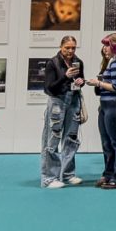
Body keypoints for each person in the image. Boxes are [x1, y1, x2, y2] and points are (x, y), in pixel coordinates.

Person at [86, 33, 116, 189]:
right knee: (108, 143)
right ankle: (109, 174)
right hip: (108, 106)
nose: (104, 49)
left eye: (107, 45)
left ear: (114, 47)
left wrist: (98, 83)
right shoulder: (113, 63)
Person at [40, 35, 86, 188]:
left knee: (71, 139)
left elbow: (81, 81)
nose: (70, 51)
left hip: (73, 101)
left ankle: (67, 174)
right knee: (52, 140)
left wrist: (81, 82)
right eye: (67, 48)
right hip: (57, 103)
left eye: (73, 48)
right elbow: (49, 88)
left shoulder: (78, 62)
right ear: (61, 47)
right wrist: (65, 77)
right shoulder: (52, 63)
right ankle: (49, 178)